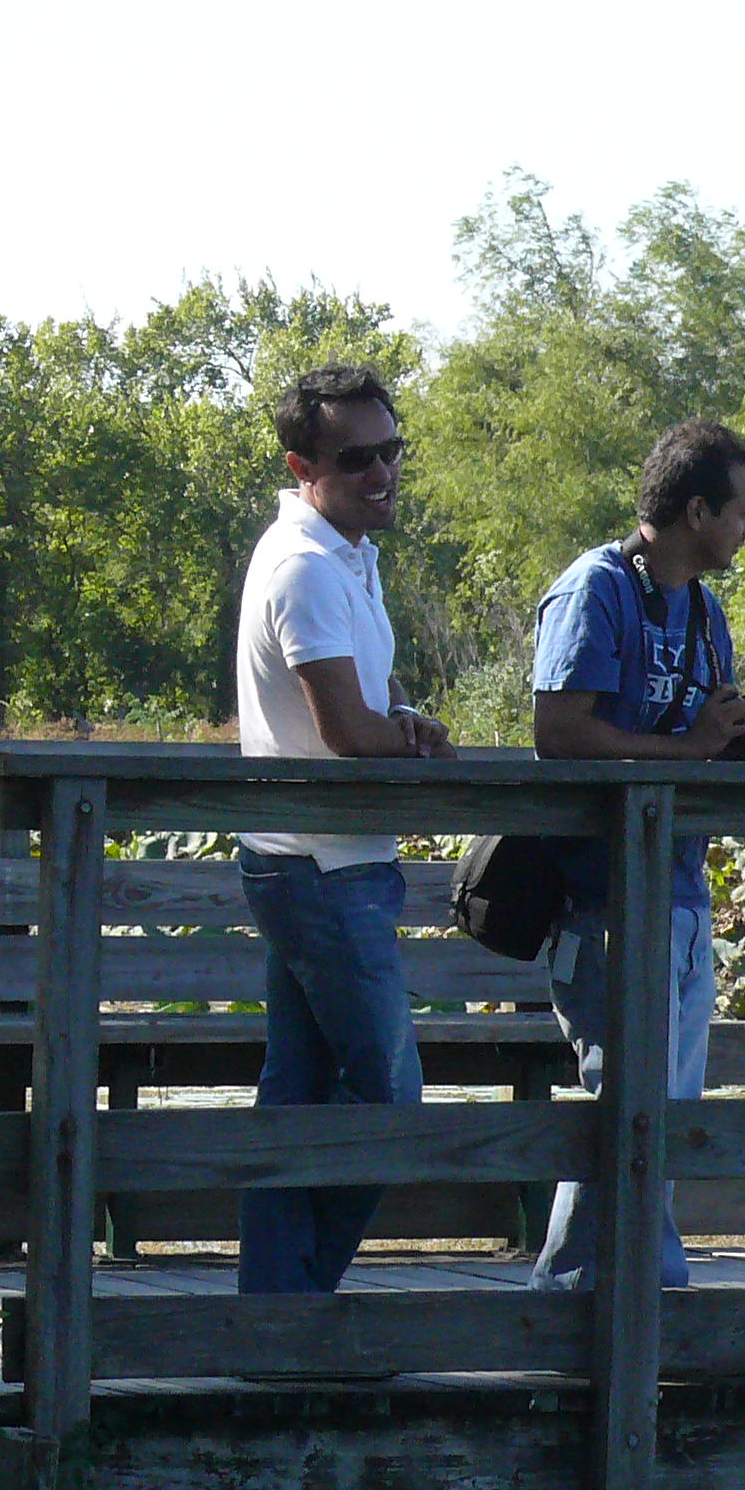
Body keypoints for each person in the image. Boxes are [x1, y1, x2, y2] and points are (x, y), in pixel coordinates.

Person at [529, 419, 745, 1291]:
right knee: (619, 1107)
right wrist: (694, 752)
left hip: (679, 891)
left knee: (663, 1113)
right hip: (602, 899)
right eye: (742, 510)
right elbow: (557, 732)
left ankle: (611, 1294)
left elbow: (701, 733)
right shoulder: (595, 589)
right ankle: (607, 1301)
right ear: (696, 508)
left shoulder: (704, 610)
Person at [234, 363, 454, 1294]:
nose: (382, 472)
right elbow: (349, 733)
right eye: (357, 458)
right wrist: (410, 738)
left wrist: (406, 714)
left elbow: (377, 697)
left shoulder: (347, 554)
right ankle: (298, 1300)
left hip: (317, 859)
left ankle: (278, 1314)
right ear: (302, 465)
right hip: (321, 866)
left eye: (392, 450)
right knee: (392, 1101)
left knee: (296, 1097)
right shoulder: (308, 568)